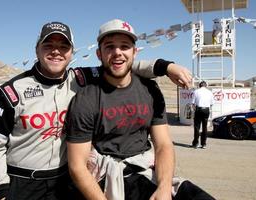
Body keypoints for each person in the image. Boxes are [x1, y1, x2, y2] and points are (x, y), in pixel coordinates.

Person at [0, 21, 192, 200]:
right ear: (37, 49)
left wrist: (166, 67)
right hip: (23, 182)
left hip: (64, 181)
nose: (56, 50)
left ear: (72, 52)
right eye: (48, 45)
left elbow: (122, 64)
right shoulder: (12, 91)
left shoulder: (80, 78)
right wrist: (1, 190)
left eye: (63, 46)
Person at [65, 19, 215, 200]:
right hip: (107, 176)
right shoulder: (86, 99)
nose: (117, 52)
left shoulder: (150, 90)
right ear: (99, 54)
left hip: (145, 169)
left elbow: (163, 145)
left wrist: (164, 188)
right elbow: (77, 166)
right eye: (109, 47)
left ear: (135, 52)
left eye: (124, 46)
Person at [191, 81, 214, 149]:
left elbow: (193, 103)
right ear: (206, 85)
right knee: (205, 127)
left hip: (199, 109)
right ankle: (203, 144)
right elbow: (212, 103)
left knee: (197, 127)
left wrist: (195, 110)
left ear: (199, 85)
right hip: (206, 110)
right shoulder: (209, 92)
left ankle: (196, 143)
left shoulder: (196, 91)